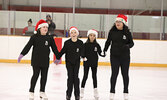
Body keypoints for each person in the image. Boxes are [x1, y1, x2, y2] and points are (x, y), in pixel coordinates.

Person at [18, 19, 59, 100]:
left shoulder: (50, 38)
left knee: (44, 77)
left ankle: (42, 92)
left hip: (45, 61)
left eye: (46, 27)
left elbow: (55, 49)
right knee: (35, 75)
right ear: (39, 28)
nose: (45, 29)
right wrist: (22, 54)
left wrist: (58, 57)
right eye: (43, 27)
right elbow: (28, 46)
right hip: (36, 61)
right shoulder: (34, 37)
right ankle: (31, 92)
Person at [103, 14, 134, 100]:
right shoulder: (112, 32)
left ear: (123, 23)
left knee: (125, 75)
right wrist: (104, 50)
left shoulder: (127, 33)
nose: (117, 23)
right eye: (116, 21)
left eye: (119, 22)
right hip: (114, 56)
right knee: (114, 74)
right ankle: (112, 92)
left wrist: (127, 46)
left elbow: (132, 43)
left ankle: (126, 92)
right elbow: (108, 42)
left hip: (125, 57)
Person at [56, 26, 83, 100]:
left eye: (75, 32)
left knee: (76, 78)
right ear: (70, 34)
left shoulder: (80, 43)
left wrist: (84, 57)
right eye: (72, 32)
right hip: (69, 63)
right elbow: (62, 51)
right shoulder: (67, 43)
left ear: (77, 33)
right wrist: (58, 57)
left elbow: (82, 52)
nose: (73, 34)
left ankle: (77, 95)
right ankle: (68, 94)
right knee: (70, 77)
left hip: (77, 62)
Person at [80, 29, 105, 99]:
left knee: (94, 77)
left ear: (95, 37)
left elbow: (100, 53)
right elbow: (82, 53)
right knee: (85, 76)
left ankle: (95, 91)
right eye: (91, 35)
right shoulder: (85, 45)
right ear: (88, 36)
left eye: (94, 36)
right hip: (87, 62)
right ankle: (81, 91)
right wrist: (83, 57)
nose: (92, 37)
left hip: (94, 63)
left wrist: (103, 54)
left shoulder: (97, 45)